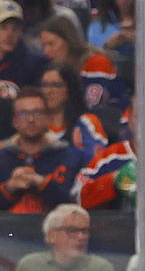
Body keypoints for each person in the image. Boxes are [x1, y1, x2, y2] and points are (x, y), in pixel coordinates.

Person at [0, 87, 84, 233]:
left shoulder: (72, 157)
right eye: (23, 114)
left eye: (37, 113)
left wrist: (42, 183)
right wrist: (9, 187)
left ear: (49, 118)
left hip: (57, 236)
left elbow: (78, 205)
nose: (31, 119)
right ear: (14, 121)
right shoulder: (2, 157)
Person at [4, 202, 115, 271]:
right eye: (72, 230)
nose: (81, 237)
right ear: (52, 235)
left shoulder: (101, 268)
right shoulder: (29, 265)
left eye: (85, 231)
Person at [38, 65, 106, 161]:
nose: (48, 91)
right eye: (44, 85)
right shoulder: (33, 124)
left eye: (56, 85)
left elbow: (99, 161)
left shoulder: (87, 122)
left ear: (69, 89)